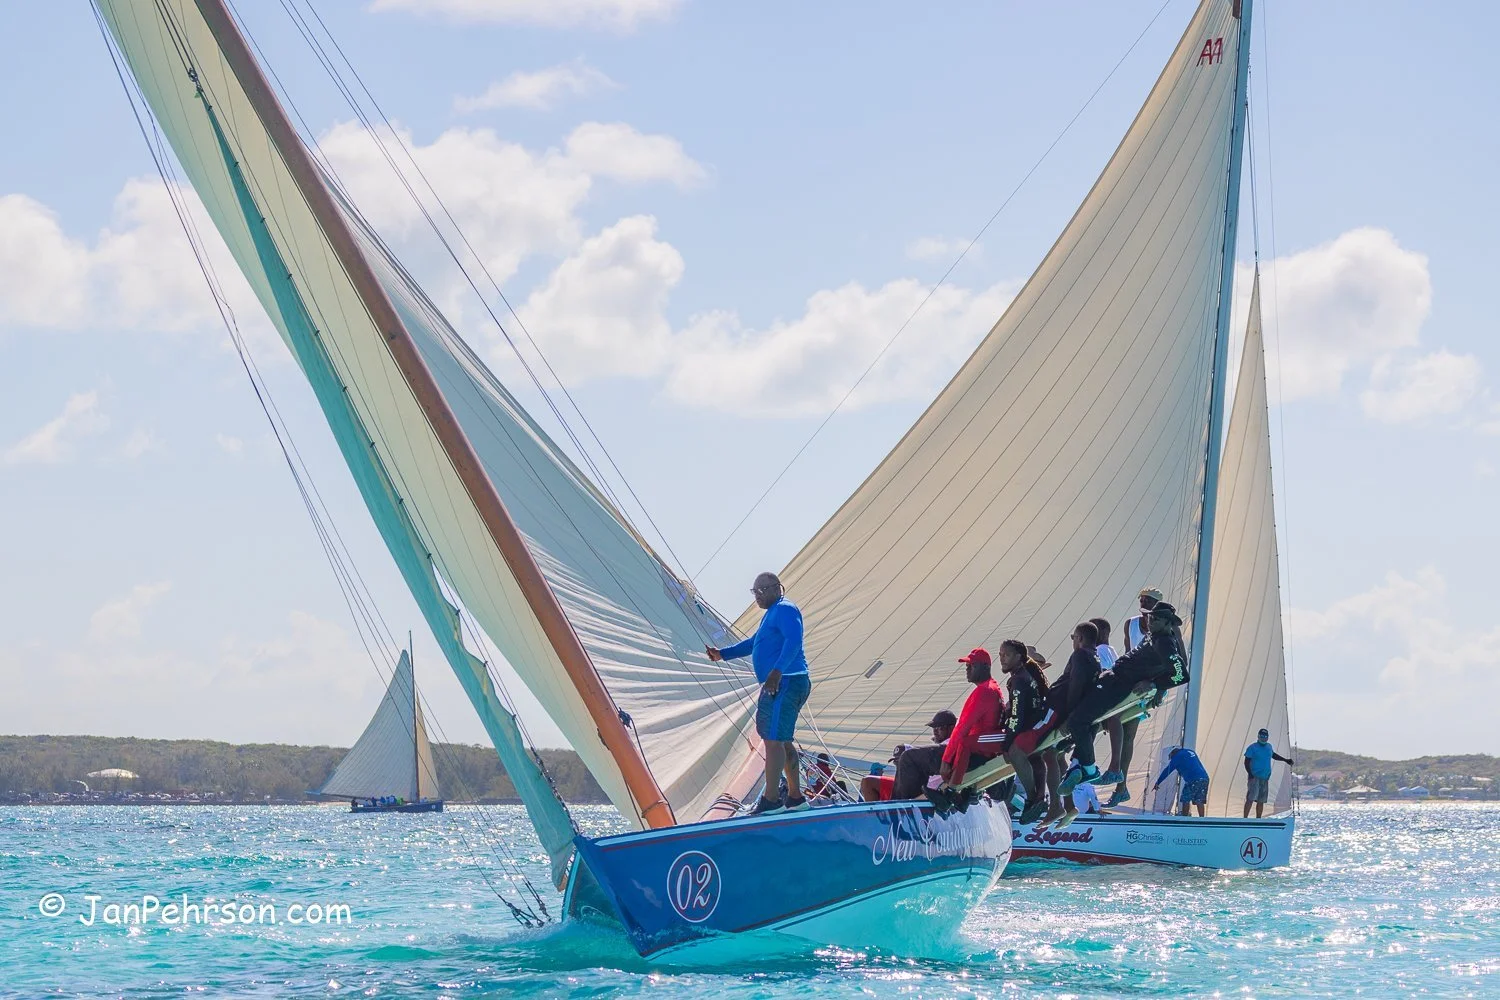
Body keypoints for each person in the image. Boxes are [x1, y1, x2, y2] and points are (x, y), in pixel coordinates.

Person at [707, 572, 813, 816]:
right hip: (786, 681)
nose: (757, 596)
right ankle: (796, 797)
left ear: (777, 588)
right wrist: (721, 654)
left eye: (761, 591)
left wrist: (776, 672)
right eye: (755, 592)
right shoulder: (770, 616)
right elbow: (751, 644)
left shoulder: (785, 609)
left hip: (786, 682)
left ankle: (771, 799)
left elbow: (794, 640)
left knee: (772, 739)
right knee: (782, 739)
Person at [1060, 603, 1190, 795]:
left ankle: (1088, 767)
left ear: (1167, 623)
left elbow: (1182, 675)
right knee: (1088, 716)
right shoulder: (1156, 636)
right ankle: (1078, 759)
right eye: (1150, 617)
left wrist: (1154, 685)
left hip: (1119, 684)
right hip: (1114, 677)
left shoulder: (1164, 642)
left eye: (1156, 618)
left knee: (1077, 720)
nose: (1150, 620)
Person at [893, 649, 1005, 799]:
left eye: (971, 665)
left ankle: (902, 809)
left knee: (908, 758)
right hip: (978, 753)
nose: (967, 669)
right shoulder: (995, 688)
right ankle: (918, 803)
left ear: (984, 667)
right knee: (915, 759)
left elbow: (961, 729)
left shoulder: (983, 692)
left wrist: (946, 760)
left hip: (972, 755)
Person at [997, 639, 1051, 824]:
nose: (1002, 659)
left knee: (1015, 753)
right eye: (1001, 655)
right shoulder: (1025, 675)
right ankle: (1039, 798)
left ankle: (1031, 799)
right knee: (1034, 757)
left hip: (1034, 725)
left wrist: (1006, 744)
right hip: (1038, 722)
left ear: (1019, 657)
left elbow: (1017, 716)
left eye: (1007, 655)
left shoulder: (1019, 680)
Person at [862, 711, 956, 801]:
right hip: (923, 790)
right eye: (933, 728)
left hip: (920, 793)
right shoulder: (949, 747)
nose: (935, 731)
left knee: (868, 782)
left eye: (939, 727)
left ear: (951, 728)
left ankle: (876, 814)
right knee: (868, 781)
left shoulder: (946, 748)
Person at [1243, 728, 1294, 818]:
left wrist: (1285, 760)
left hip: (1265, 778)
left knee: (1261, 800)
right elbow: (1246, 762)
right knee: (1250, 798)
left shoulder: (1269, 747)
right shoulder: (1252, 747)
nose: (1263, 738)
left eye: (1265, 736)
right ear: (1258, 736)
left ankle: (1258, 819)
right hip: (1254, 777)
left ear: (1267, 737)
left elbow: (1273, 755)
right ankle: (1245, 818)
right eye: (1261, 736)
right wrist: (1250, 774)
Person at [1153, 745, 1209, 817]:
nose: (1171, 759)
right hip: (1204, 778)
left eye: (1171, 757)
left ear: (1173, 753)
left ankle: (1184, 819)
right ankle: (1202, 819)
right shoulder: (1190, 751)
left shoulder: (1176, 757)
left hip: (1193, 780)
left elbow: (1167, 770)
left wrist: (1158, 782)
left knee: (1185, 799)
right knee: (1199, 800)